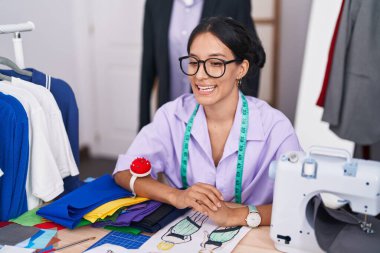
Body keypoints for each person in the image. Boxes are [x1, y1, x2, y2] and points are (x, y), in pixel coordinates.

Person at [114, 17, 302, 228]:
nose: (200, 75)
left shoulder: (275, 127)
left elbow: (300, 203)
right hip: (188, 233)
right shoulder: (171, 116)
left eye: (215, 63)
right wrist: (176, 196)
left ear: (241, 69)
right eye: (194, 62)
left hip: (255, 237)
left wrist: (234, 216)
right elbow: (123, 172)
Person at [139, 0, 262, 130]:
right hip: (170, 115)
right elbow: (147, 64)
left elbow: (253, 55)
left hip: (218, 120)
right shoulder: (155, 3)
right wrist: (143, 123)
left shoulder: (235, 3)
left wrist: (243, 117)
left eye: (215, 63)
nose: (199, 75)